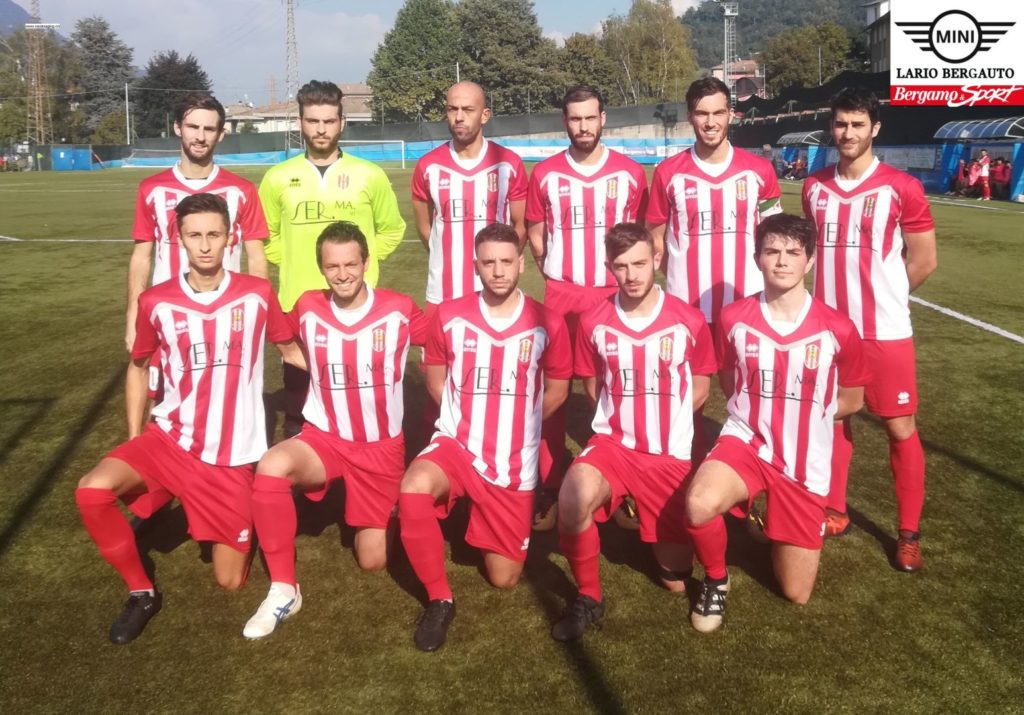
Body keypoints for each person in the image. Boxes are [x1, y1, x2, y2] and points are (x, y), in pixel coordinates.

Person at [75, 194, 301, 644]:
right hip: (170, 440)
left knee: (230, 580)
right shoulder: (156, 301)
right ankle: (141, 592)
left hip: (230, 457)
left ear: (230, 238)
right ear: (178, 241)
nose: (204, 246)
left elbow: (291, 351)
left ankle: (173, 505)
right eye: (194, 236)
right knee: (91, 491)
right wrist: (136, 437)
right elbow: (138, 366)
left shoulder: (257, 294)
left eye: (214, 235)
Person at [242, 220, 427, 638]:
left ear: (366, 262)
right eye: (332, 266)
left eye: (350, 264)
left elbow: (444, 338)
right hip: (324, 437)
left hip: (380, 448)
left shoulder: (398, 308)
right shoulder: (308, 306)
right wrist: (307, 363)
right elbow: (280, 335)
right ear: (321, 269)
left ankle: (389, 508)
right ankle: (283, 589)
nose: (342, 274)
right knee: (272, 466)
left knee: (373, 560)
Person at [685, 213, 869, 633]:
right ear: (757, 258)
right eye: (772, 251)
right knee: (698, 504)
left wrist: (803, 413)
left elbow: (852, 400)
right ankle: (716, 579)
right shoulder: (733, 319)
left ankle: (771, 519)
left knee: (796, 592)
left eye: (792, 252)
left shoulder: (839, 328)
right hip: (747, 442)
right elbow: (731, 382)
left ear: (810, 261)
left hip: (804, 461)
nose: (782, 261)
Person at [397, 223, 572, 652]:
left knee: (505, 578)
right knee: (414, 489)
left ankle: (480, 519)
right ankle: (439, 598)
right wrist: (467, 421)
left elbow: (559, 388)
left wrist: (521, 422)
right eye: (488, 262)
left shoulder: (547, 321)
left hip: (514, 456)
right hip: (457, 443)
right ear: (475, 265)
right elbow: (436, 380)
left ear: (521, 263)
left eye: (506, 261)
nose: (497, 271)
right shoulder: (450, 315)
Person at [550, 223, 715, 641]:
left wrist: (666, 417)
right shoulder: (594, 321)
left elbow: (701, 388)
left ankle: (633, 508)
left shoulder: (689, 320)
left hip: (668, 454)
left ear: (657, 260)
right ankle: (589, 596)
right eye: (621, 266)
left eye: (640, 263)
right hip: (613, 446)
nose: (632, 275)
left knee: (676, 579)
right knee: (573, 497)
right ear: (610, 268)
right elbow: (592, 386)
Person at [802, 88, 937, 570]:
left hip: (885, 332)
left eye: (858, 124)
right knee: (834, 419)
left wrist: (887, 297)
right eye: (841, 124)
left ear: (875, 128)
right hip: (830, 331)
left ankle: (908, 533)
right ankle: (834, 510)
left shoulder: (901, 187)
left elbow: (923, 260)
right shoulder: (814, 187)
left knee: (899, 427)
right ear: (832, 128)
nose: (848, 133)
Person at [526, 86, 649, 528]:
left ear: (604, 118)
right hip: (562, 294)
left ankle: (623, 482)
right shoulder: (545, 175)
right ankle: (551, 481)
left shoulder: (632, 174)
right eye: (574, 119)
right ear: (565, 121)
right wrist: (557, 274)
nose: (583, 127)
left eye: (589, 118)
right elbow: (537, 233)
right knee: (553, 393)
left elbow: (638, 237)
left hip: (610, 297)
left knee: (615, 389)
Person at [259, 79, 406, 436]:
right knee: (299, 404)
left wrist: (360, 267)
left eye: (328, 120)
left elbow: (392, 229)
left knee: (359, 399)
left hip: (358, 311)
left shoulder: (369, 175)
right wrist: (295, 261)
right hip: (298, 303)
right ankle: (305, 482)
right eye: (312, 121)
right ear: (300, 123)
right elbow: (265, 237)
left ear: (342, 122)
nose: (321, 129)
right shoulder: (277, 178)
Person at [646, 77, 781, 460]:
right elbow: (654, 234)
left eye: (718, 112)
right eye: (702, 113)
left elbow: (774, 235)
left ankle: (750, 475)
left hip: (747, 308)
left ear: (730, 115)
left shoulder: (759, 171)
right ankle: (685, 472)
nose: (710, 121)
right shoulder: (669, 173)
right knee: (688, 402)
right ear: (690, 117)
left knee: (753, 399)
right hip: (687, 310)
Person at [127, 92, 269, 352]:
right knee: (161, 391)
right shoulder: (151, 189)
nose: (200, 137)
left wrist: (257, 311)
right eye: (193, 127)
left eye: (209, 129)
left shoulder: (242, 190)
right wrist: (132, 317)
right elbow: (141, 257)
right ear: (177, 128)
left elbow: (257, 258)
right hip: (167, 313)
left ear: (221, 134)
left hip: (229, 315)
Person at [411, 81, 527, 314]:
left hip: (495, 294)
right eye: (452, 109)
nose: (459, 117)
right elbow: (426, 230)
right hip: (442, 293)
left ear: (485, 115)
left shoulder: (508, 164)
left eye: (468, 110)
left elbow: (521, 226)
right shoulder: (428, 166)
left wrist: (501, 262)